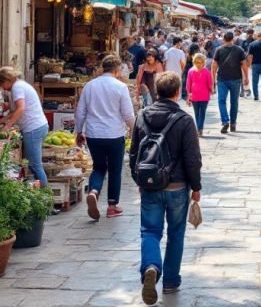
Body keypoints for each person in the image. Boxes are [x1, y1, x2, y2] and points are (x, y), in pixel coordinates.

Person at [130, 72, 203, 305]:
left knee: (149, 231)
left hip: (150, 184)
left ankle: (151, 266)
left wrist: (139, 180)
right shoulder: (184, 120)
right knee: (176, 233)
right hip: (177, 186)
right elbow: (192, 158)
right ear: (177, 92)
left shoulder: (142, 116)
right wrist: (196, 187)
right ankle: (171, 281)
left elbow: (133, 154)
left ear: (157, 92)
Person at [76, 55, 136, 220]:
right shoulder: (120, 87)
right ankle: (112, 206)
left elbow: (80, 111)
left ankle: (94, 191)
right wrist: (134, 129)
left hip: (94, 135)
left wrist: (79, 131)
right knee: (115, 170)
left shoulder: (89, 86)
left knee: (99, 167)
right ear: (117, 70)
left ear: (102, 68)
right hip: (114, 134)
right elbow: (128, 114)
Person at [0, 67, 50, 186]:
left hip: (33, 128)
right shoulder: (20, 85)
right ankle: (39, 191)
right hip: (37, 127)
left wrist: (8, 126)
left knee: (35, 165)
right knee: (32, 164)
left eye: (1, 84)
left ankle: (45, 196)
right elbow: (14, 111)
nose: (2, 87)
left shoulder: (17, 88)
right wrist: (1, 121)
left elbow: (21, 109)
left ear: (7, 80)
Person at [211, 32, 248, 134]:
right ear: (233, 39)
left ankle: (225, 121)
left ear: (223, 39)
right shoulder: (239, 50)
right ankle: (233, 124)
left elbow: (214, 65)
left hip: (222, 79)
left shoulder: (219, 50)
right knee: (234, 102)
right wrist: (246, 77)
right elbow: (244, 65)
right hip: (236, 79)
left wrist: (213, 78)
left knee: (221, 101)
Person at [185, 53, 212, 136]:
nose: (198, 64)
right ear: (194, 62)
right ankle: (199, 128)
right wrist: (188, 95)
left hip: (204, 95)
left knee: (202, 112)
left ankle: (200, 128)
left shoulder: (207, 72)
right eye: (197, 62)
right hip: (194, 95)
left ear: (203, 62)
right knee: (196, 112)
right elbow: (188, 84)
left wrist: (211, 90)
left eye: (200, 62)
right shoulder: (191, 71)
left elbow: (209, 83)